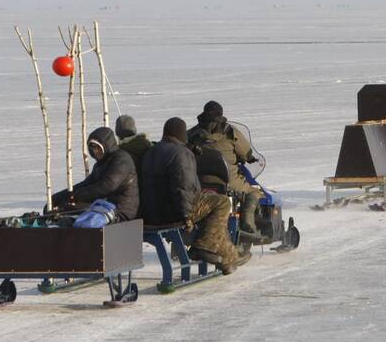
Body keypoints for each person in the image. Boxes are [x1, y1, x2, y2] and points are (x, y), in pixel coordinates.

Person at [141, 117, 248, 274]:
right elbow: (183, 188)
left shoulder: (151, 151)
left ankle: (229, 258)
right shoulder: (181, 154)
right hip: (173, 212)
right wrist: (186, 217)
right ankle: (204, 247)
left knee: (211, 215)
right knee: (222, 202)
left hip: (151, 212)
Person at [188, 101, 264, 237]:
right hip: (228, 182)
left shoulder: (193, 133)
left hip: (199, 183)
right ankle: (247, 221)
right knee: (255, 192)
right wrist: (249, 158)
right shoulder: (230, 132)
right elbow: (246, 153)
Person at [47, 127, 139, 221]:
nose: (95, 151)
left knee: (74, 210)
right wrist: (59, 197)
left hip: (122, 210)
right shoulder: (100, 164)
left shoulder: (121, 159)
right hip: (105, 206)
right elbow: (86, 184)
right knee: (67, 208)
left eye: (98, 147)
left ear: (107, 145)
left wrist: (77, 196)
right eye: (92, 148)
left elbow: (108, 186)